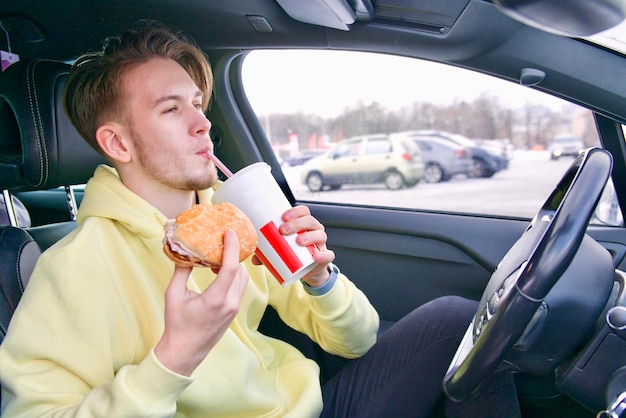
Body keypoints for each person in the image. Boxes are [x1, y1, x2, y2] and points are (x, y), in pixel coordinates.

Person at [0, 22, 520, 417]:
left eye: (198, 105)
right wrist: (174, 358)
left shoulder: (235, 222)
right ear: (117, 143)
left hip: (305, 404)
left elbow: (357, 340)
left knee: (459, 322)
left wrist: (320, 278)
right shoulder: (77, 268)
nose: (203, 123)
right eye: (170, 109)